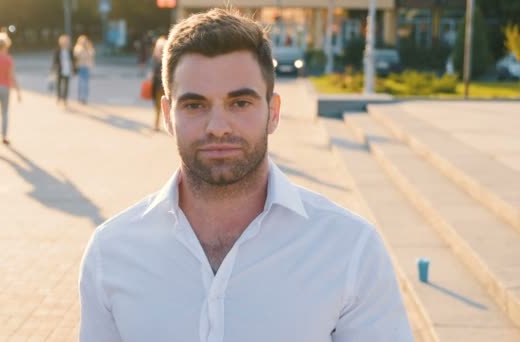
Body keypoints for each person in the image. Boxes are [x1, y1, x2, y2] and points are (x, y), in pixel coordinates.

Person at [79, 8, 413, 342]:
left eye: (240, 103)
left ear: (274, 112)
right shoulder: (111, 253)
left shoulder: (350, 249)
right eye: (195, 105)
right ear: (168, 115)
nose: (218, 128)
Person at [52, 34, 75, 106]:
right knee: (58, 85)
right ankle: (59, 97)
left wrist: (73, 69)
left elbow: (73, 60)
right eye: (64, 41)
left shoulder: (70, 50)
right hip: (60, 70)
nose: (65, 43)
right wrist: (54, 68)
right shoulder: (57, 50)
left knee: (66, 85)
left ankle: (65, 99)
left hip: (67, 70)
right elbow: (54, 60)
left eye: (66, 41)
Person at [150, 36, 167, 131]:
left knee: (167, 106)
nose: (160, 50)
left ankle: (170, 125)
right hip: (157, 86)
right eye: (159, 48)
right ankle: (156, 125)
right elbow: (154, 71)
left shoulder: (167, 59)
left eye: (162, 48)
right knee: (157, 106)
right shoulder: (155, 59)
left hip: (165, 87)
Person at [73, 35, 95, 104]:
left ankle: (84, 98)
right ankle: (79, 97)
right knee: (80, 83)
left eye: (85, 41)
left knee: (86, 83)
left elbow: (92, 55)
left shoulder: (89, 48)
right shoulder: (77, 48)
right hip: (80, 67)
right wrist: (83, 50)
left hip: (87, 67)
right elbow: (77, 55)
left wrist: (88, 48)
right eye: (82, 41)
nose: (84, 43)